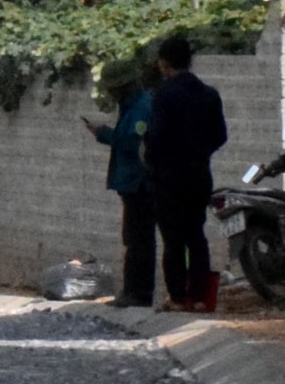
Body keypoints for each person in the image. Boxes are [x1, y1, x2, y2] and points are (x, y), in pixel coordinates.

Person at [145, 33, 227, 312]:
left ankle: (178, 297)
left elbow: (155, 138)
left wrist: (152, 159)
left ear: (165, 63)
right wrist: (200, 152)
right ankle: (201, 297)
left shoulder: (164, 95)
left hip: (169, 177)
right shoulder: (209, 95)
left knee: (173, 239)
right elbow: (220, 136)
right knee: (196, 234)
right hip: (199, 174)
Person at [83, 58, 157, 308]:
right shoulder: (132, 105)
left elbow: (131, 143)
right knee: (134, 238)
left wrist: (104, 133)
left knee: (139, 239)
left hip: (139, 183)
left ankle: (138, 293)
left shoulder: (140, 107)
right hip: (131, 183)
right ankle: (133, 291)